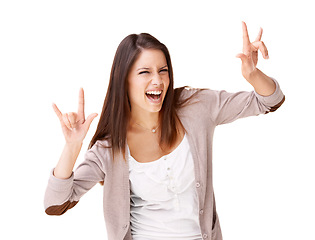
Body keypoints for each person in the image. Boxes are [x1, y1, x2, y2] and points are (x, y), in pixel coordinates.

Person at [44, 22, 285, 240]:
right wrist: (73, 145)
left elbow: (270, 101)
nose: (158, 81)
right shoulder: (110, 147)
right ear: (124, 79)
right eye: (144, 72)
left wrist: (253, 74)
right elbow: (55, 204)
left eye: (163, 70)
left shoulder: (195, 107)